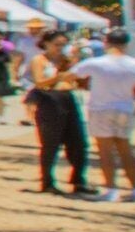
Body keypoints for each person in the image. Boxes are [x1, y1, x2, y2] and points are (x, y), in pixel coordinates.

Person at [70, 28, 135, 202]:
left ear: (106, 42)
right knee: (126, 150)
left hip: (101, 108)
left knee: (105, 151)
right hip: (125, 108)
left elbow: (71, 75)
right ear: (126, 44)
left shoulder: (96, 63)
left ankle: (111, 189)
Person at [25, 30, 89, 195]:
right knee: (51, 143)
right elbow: (40, 82)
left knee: (78, 142)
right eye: (56, 45)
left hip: (68, 97)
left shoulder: (66, 60)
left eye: (63, 45)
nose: (60, 48)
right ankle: (47, 181)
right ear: (46, 44)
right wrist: (59, 77)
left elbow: (78, 80)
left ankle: (78, 179)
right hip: (49, 100)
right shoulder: (39, 60)